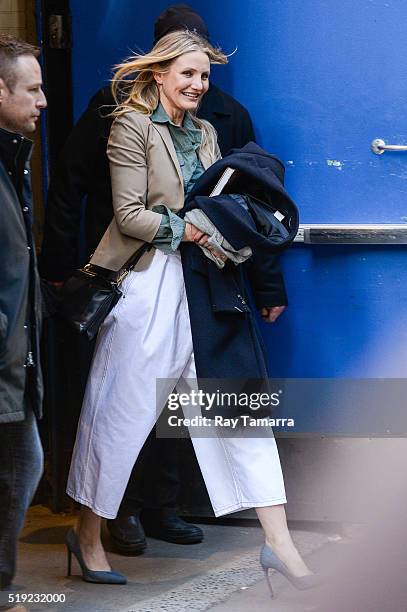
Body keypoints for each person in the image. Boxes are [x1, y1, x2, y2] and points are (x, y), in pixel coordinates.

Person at [64, 29, 316, 593]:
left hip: (207, 285)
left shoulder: (205, 131)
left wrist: (222, 231)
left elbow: (218, 201)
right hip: (148, 283)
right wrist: (195, 230)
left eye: (204, 76)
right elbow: (130, 217)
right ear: (159, 74)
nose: (198, 85)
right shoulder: (130, 126)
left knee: (239, 412)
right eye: (188, 74)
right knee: (121, 412)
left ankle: (280, 544)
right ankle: (87, 535)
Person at [0, 34, 47, 591]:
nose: (41, 102)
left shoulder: (15, 160)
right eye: (32, 90)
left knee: (23, 465)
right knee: (22, 466)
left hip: (15, 356)